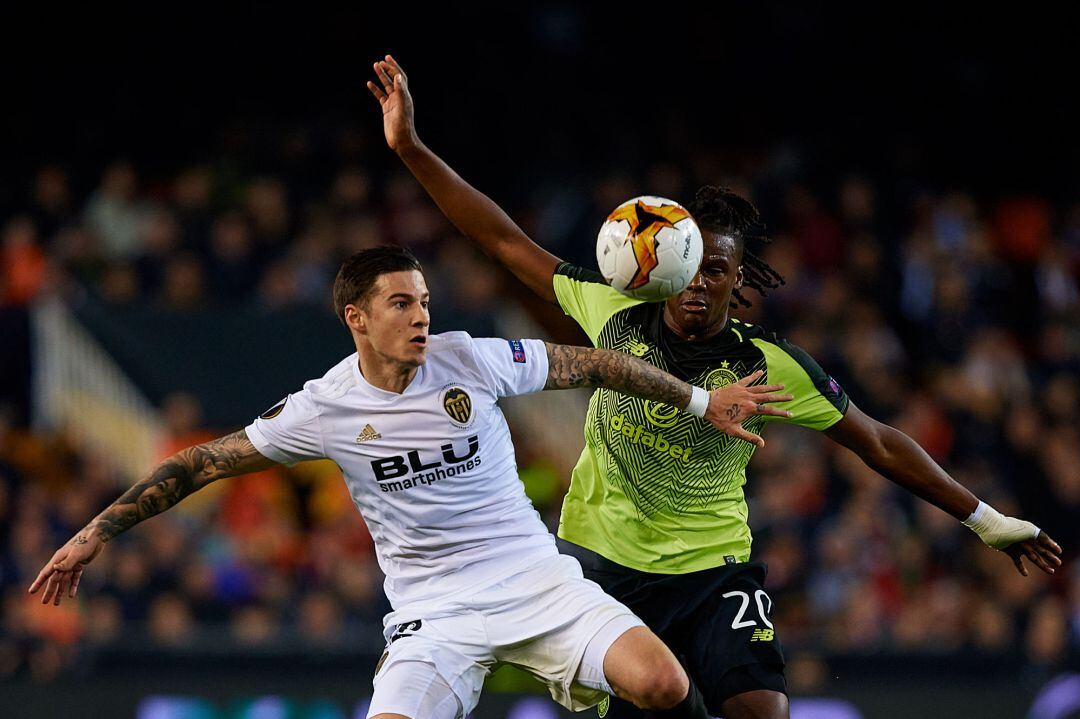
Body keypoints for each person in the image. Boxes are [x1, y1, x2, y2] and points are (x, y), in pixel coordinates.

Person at [366, 55, 1064, 719]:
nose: (701, 283)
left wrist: (986, 519)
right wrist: (411, 149)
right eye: (693, 264)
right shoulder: (612, 311)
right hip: (602, 565)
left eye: (718, 271)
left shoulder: (769, 362)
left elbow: (877, 442)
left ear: (737, 277)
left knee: (762, 707)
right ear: (670, 258)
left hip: (711, 570)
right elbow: (503, 240)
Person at [29, 245, 797, 719]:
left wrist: (701, 398)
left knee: (663, 684)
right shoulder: (324, 406)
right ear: (356, 317)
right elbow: (199, 461)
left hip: (536, 580)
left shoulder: (469, 358)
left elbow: (592, 363)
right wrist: (94, 533)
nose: (422, 315)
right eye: (402, 302)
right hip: (435, 613)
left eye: (425, 300)